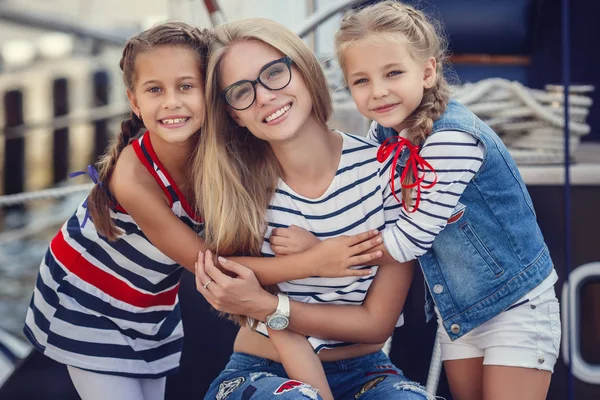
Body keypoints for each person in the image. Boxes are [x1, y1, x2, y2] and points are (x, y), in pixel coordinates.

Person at [274, 2, 561, 399]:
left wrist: (323, 252)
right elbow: (370, 211)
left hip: (516, 306)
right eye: (360, 81)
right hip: (459, 311)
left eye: (393, 73)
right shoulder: (383, 135)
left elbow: (409, 239)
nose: (378, 91)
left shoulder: (453, 139)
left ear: (427, 71)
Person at [193, 17, 433, 400]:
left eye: (274, 73)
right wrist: (314, 262)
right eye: (241, 92)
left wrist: (270, 305)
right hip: (259, 369)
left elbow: (376, 325)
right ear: (233, 114)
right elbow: (223, 274)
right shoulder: (238, 190)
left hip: (366, 370)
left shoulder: (388, 171)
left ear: (303, 69)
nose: (265, 96)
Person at [22, 22, 211, 400]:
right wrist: (314, 263)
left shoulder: (214, 156)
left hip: (148, 304)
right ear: (135, 102)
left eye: (186, 86)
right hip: (86, 301)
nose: (172, 101)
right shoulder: (133, 179)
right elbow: (209, 266)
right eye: (155, 90)